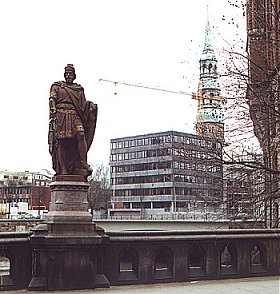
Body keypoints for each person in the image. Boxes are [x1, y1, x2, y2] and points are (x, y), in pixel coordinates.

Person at [48, 64, 97, 176]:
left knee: (81, 135)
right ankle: (64, 169)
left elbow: (83, 106)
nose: (69, 75)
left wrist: (91, 106)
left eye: (71, 74)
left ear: (74, 76)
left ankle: (83, 162)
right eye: (67, 73)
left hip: (75, 115)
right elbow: (52, 99)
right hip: (61, 115)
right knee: (62, 142)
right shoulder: (57, 86)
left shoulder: (78, 90)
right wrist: (53, 107)